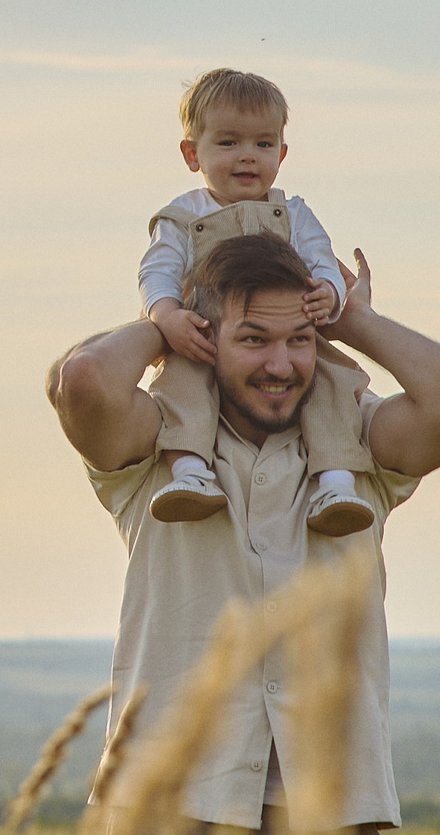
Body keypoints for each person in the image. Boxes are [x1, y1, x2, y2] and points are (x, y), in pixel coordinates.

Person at [47, 231, 440, 835]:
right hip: (172, 809)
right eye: (254, 339)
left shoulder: (356, 447)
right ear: (205, 341)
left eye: (300, 341)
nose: (281, 365)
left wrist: (355, 320)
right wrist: (164, 318)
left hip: (329, 815)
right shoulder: (158, 451)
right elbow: (84, 381)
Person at [141, 69, 373, 535]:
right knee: (180, 385)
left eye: (263, 145)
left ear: (282, 154)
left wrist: (328, 289)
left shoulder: (293, 213)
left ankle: (335, 480)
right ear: (193, 154)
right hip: (205, 335)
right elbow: (157, 272)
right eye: (228, 143)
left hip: (288, 332)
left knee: (332, 385)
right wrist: (166, 316)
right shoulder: (183, 218)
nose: (248, 156)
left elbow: (320, 256)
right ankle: (189, 472)